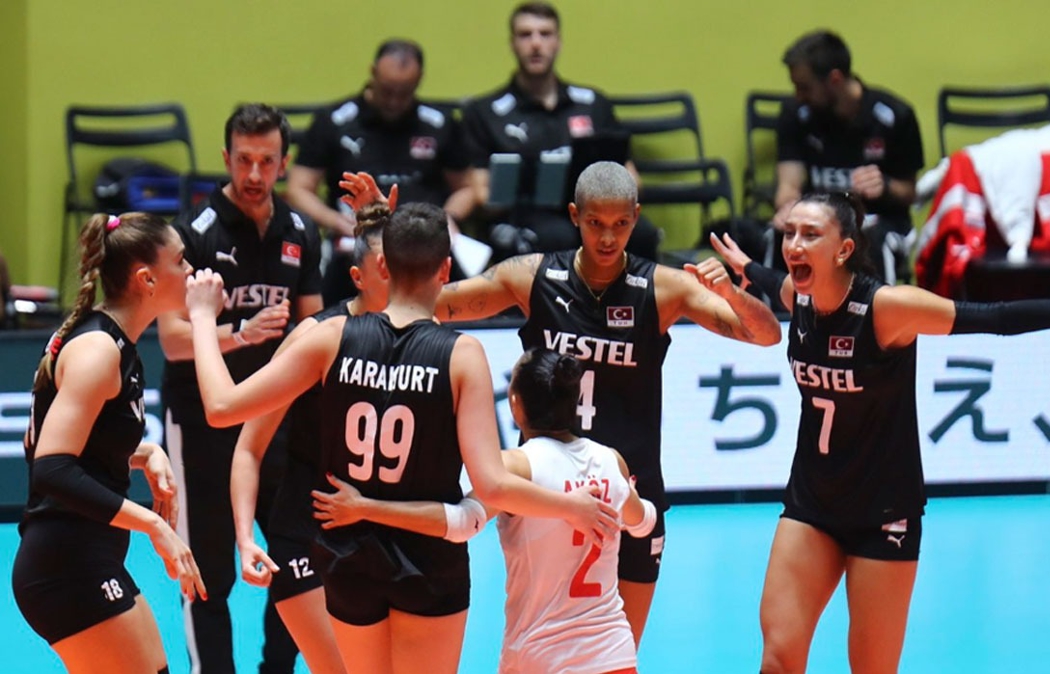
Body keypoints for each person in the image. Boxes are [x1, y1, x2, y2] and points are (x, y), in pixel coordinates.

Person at [712, 192, 1050, 674]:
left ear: (844, 249)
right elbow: (774, 281)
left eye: (811, 234)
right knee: (778, 660)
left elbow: (998, 317)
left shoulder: (888, 308)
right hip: (812, 505)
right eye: (790, 233)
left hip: (884, 515)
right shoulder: (800, 299)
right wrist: (748, 268)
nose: (794, 244)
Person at [343, 160, 781, 646]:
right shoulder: (531, 276)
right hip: (545, 487)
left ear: (636, 217)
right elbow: (416, 300)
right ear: (574, 215)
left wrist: (731, 294)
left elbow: (765, 335)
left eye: (621, 224)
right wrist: (384, 232)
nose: (608, 237)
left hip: (628, 487)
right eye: (595, 223)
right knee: (538, 638)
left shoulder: (664, 287)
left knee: (619, 647)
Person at [184, 202, 619, 674]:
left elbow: (221, 408)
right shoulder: (462, 354)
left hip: (349, 555)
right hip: (427, 560)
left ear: (384, 265)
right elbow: (491, 486)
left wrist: (203, 318)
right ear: (446, 270)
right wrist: (569, 505)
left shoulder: (330, 337)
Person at [311, 347, 654, 674]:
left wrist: (366, 508)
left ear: (514, 404)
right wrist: (629, 498)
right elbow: (644, 523)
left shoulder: (515, 468)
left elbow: (461, 523)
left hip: (542, 657)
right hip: (614, 654)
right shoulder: (611, 461)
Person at [158, 103, 323, 674]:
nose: (254, 174)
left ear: (284, 163)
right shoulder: (191, 235)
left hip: (278, 421)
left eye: (267, 161)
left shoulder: (301, 231)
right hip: (202, 422)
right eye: (244, 160)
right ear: (226, 158)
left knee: (295, 561)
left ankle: (277, 668)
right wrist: (240, 334)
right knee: (208, 571)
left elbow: (313, 325)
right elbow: (173, 339)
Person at [12, 212, 205, 674]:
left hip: (89, 559)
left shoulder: (117, 343)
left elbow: (58, 442)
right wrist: (154, 526)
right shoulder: (97, 350)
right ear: (146, 279)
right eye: (180, 261)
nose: (190, 271)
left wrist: (146, 453)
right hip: (64, 569)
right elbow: (51, 467)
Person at [229, 202, 392, 674]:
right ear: (359, 276)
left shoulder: (420, 337)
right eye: (386, 266)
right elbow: (248, 446)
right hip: (306, 533)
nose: (399, 275)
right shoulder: (313, 337)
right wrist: (245, 538)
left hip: (380, 531)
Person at [461, 2, 659, 261]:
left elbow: (632, 179)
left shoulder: (593, 104)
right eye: (525, 35)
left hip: (592, 212)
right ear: (512, 44)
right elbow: (480, 194)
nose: (535, 44)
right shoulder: (485, 112)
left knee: (642, 234)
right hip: (523, 217)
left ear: (558, 42)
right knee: (557, 238)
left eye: (545, 34)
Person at [287, 38, 474, 304]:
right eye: (387, 90)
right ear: (373, 73)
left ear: (419, 80)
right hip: (356, 237)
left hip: (423, 236)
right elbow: (298, 189)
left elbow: (467, 188)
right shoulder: (335, 122)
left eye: (404, 92)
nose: (394, 101)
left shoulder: (440, 124)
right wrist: (335, 221)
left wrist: (449, 216)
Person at [774, 30, 924, 285]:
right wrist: (789, 208)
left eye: (805, 88)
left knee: (871, 239)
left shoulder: (895, 116)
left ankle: (877, 309)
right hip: (818, 219)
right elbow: (788, 187)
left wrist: (885, 186)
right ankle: (778, 309)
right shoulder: (795, 115)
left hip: (880, 221)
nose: (798, 96)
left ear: (834, 79)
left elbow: (909, 192)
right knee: (782, 234)